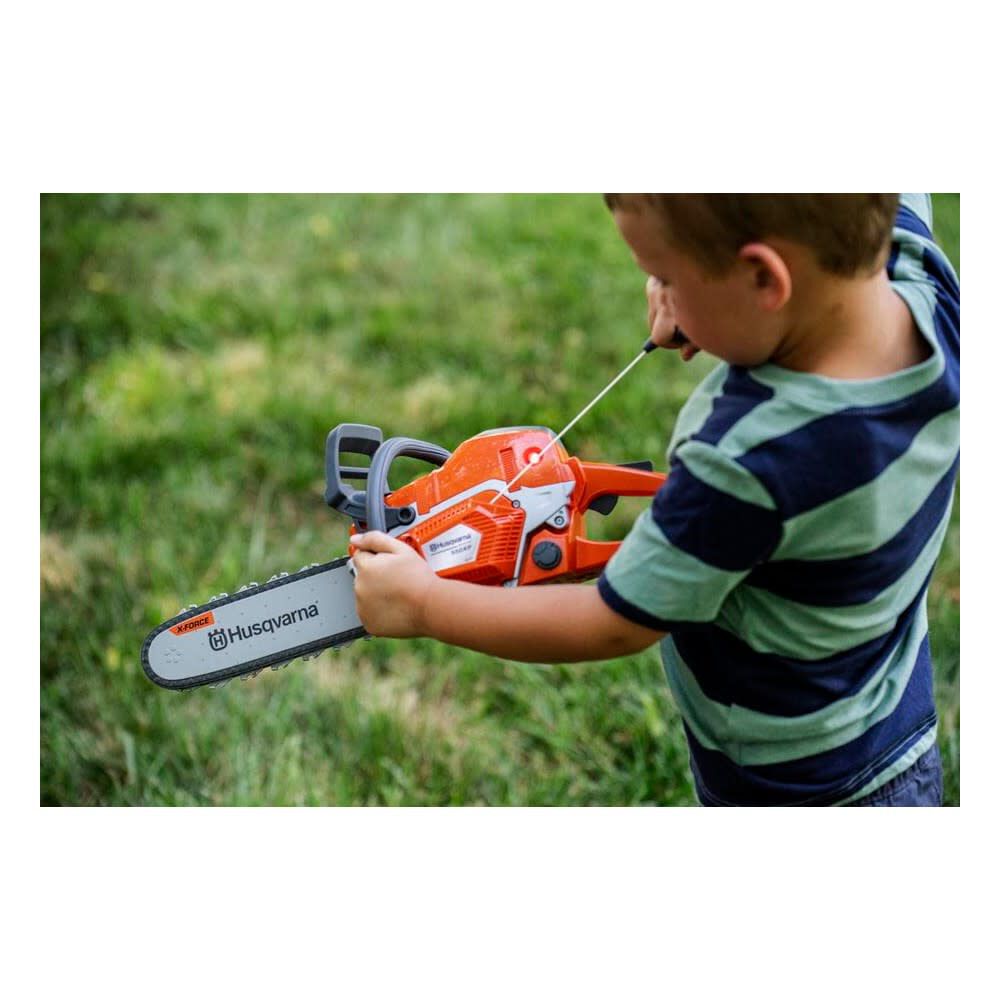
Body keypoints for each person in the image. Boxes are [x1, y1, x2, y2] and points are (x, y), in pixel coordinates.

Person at [349, 194, 960, 807]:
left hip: (793, 784)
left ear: (763, 279)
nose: (659, 294)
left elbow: (611, 624)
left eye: (665, 276)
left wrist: (425, 604)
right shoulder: (921, 279)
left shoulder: (745, 464)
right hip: (894, 719)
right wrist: (704, 299)